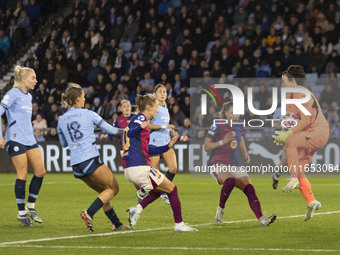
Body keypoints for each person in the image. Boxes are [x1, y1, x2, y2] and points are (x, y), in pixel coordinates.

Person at [57, 83, 130, 231]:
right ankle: (89, 212)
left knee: (103, 193)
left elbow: (64, 144)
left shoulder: (62, 119)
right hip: (90, 159)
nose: (84, 99)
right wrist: (130, 130)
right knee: (113, 189)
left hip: (77, 166)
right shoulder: (89, 113)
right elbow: (111, 130)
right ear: (78, 98)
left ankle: (117, 224)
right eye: (83, 96)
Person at [123, 94, 196, 231]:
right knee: (172, 189)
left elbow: (147, 147)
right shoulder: (140, 119)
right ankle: (179, 225)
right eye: (156, 108)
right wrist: (140, 127)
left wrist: (168, 146)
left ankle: (137, 209)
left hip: (131, 168)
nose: (157, 110)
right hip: (139, 168)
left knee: (161, 189)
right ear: (149, 108)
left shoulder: (139, 121)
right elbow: (130, 133)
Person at [204, 101, 276, 226]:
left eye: (237, 113)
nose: (235, 116)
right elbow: (206, 146)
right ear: (226, 113)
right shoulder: (217, 125)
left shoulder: (239, 123)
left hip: (235, 162)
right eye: (232, 113)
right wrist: (222, 141)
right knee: (230, 180)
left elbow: (240, 136)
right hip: (218, 162)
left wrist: (245, 152)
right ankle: (220, 210)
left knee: (249, 188)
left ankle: (262, 219)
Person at [273, 65, 329, 221]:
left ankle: (293, 179)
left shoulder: (302, 94)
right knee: (299, 170)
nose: (281, 83)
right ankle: (312, 202)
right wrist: (285, 124)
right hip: (308, 134)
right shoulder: (289, 97)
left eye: (284, 80)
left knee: (290, 141)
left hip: (318, 132)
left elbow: (304, 120)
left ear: (292, 80)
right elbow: (295, 119)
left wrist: (287, 134)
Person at [0, 66, 46, 226]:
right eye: (33, 78)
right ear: (24, 79)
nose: (36, 81)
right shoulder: (12, 94)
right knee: (23, 174)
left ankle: (31, 207)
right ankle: (21, 213)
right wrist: (0, 135)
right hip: (15, 138)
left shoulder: (29, 96)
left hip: (29, 139)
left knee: (40, 171)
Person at [139, 84, 178, 204]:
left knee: (173, 168)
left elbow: (164, 126)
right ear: (155, 94)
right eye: (160, 92)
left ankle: (164, 193)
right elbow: (146, 124)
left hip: (166, 142)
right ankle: (143, 189)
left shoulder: (166, 109)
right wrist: (163, 126)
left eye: (165, 92)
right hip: (154, 142)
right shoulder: (152, 108)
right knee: (154, 174)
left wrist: (170, 131)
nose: (163, 94)